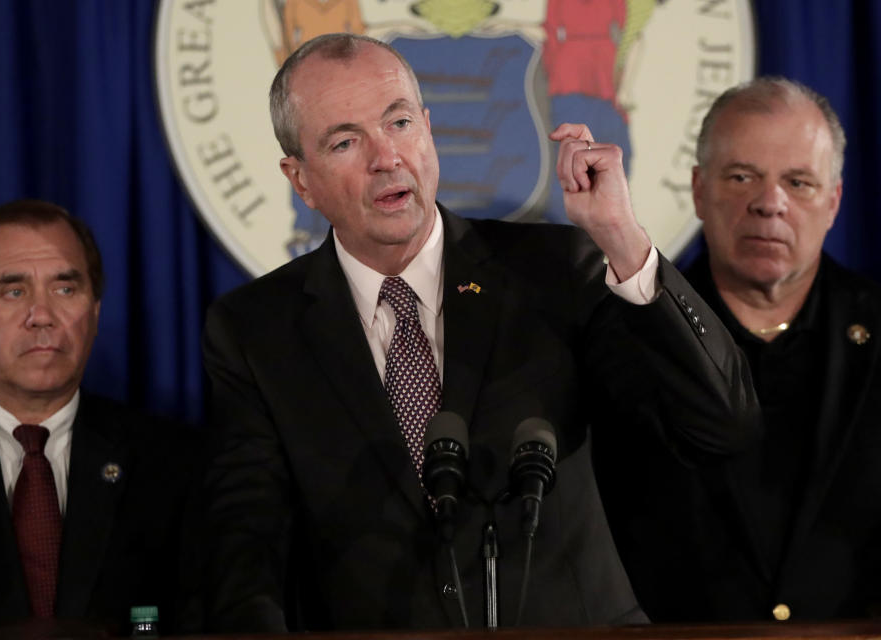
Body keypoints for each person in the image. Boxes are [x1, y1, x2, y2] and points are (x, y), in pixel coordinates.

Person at [196, 33, 758, 632]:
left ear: (429, 129)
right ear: (300, 178)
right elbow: (245, 542)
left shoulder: (553, 274)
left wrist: (621, 237)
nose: (386, 157)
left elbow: (719, 427)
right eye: (344, 141)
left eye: (400, 123)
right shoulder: (257, 331)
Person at [593, 77, 881, 622]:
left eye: (799, 182)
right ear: (699, 189)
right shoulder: (625, 336)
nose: (769, 204)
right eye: (742, 176)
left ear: (834, 202)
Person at [0, 200, 198, 635]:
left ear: (95, 312)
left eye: (65, 289)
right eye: (14, 291)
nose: (42, 316)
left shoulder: (177, 466)